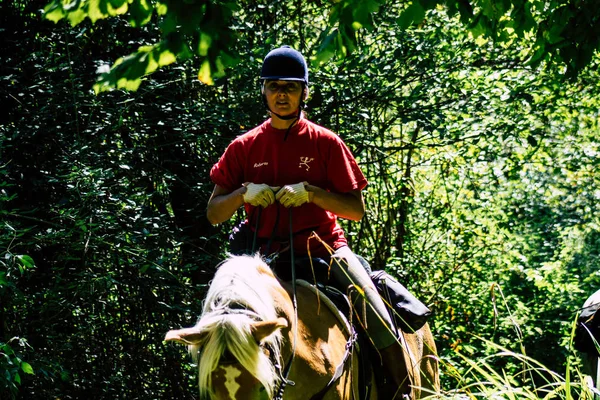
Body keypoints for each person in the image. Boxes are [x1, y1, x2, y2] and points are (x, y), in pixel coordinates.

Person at [207, 45, 412, 396]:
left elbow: (355, 209)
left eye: (290, 86)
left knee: (376, 311)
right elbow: (213, 214)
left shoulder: (326, 142)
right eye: (274, 86)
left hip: (325, 250)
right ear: (263, 91)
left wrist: (313, 193)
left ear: (304, 92)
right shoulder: (243, 147)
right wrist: (242, 193)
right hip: (261, 261)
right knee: (217, 316)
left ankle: (401, 390)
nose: (281, 94)